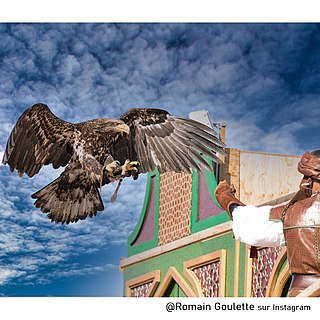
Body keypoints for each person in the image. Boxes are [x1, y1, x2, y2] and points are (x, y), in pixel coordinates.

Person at [214, 150, 320, 297]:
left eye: (305, 177)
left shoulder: (293, 213)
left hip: (305, 296)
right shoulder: (292, 211)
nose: (302, 183)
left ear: (311, 179)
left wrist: (225, 196)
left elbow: (248, 224)